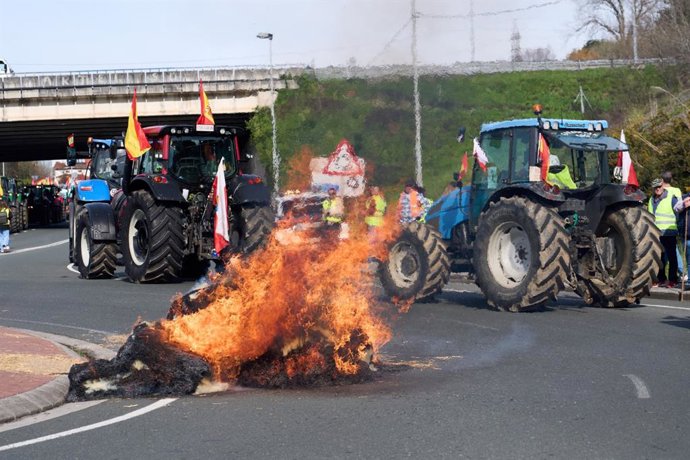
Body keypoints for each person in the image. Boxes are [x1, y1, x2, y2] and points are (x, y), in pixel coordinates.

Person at [648, 178, 679, 288]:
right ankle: (661, 279)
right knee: (659, 258)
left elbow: (678, 212)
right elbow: (650, 216)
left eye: (659, 187)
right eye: (655, 187)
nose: (657, 189)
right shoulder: (651, 199)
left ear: (663, 186)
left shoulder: (671, 198)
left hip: (669, 233)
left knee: (672, 257)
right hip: (657, 234)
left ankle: (673, 280)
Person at [661, 171, 685, 280]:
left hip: (663, 227)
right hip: (675, 223)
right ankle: (681, 272)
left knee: (667, 252)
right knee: (671, 250)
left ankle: (680, 272)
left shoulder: (661, 191)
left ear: (662, 180)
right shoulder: (677, 191)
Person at [673, 190, 690, 287]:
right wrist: (684, 204)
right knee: (688, 261)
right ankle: (689, 282)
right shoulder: (685, 197)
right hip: (686, 236)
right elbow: (676, 208)